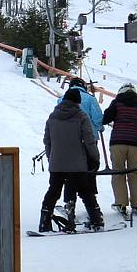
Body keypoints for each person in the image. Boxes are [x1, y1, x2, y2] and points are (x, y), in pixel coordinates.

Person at [39, 88, 104, 232]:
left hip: (57, 163)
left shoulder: (52, 116)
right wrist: (94, 158)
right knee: (84, 190)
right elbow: (89, 140)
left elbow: (47, 141)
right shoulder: (81, 116)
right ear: (77, 102)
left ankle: (44, 221)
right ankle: (95, 220)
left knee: (53, 191)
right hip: (77, 164)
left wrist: (52, 157)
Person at [102, 83, 137, 217]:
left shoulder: (117, 102)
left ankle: (121, 204)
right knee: (135, 173)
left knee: (118, 172)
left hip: (118, 142)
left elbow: (105, 118)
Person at [56, 78, 103, 212]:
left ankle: (70, 203)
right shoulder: (90, 99)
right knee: (89, 171)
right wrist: (98, 127)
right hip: (88, 141)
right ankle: (92, 205)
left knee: (70, 173)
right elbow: (98, 118)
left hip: (67, 142)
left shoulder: (62, 99)